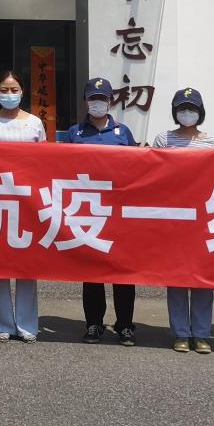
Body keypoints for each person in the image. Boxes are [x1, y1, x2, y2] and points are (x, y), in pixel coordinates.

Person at [59, 76, 138, 346]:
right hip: (88, 207)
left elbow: (138, 168)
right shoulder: (75, 133)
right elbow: (62, 168)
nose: (97, 103)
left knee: (122, 269)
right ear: (85, 102)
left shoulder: (123, 132)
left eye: (102, 99)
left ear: (110, 102)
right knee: (92, 269)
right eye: (93, 99)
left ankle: (125, 325)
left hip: (118, 208)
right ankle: (93, 323)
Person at [151, 87, 214, 354]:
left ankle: (202, 334)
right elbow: (152, 172)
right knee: (176, 277)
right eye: (183, 108)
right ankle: (181, 333)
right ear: (175, 112)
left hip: (205, 217)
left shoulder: (213, 141)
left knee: (202, 278)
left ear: (200, 112)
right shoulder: (163, 139)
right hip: (174, 216)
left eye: (192, 108)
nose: (187, 113)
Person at [0, 70, 46, 343]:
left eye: (14, 89)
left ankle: (27, 324)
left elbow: (47, 161)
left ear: (23, 91)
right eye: (4, 89)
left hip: (28, 200)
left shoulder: (35, 123)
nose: (9, 94)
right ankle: (1, 323)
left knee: (27, 263)